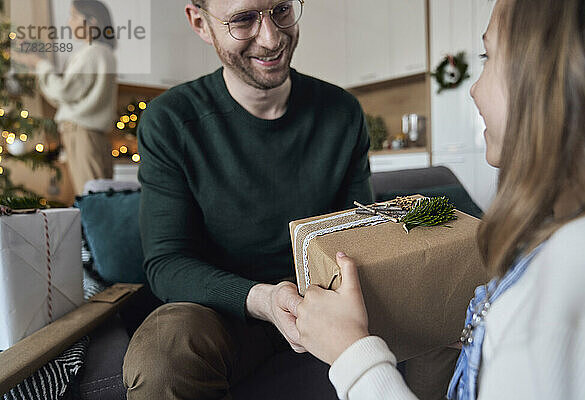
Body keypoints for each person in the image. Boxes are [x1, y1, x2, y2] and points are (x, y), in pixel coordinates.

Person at [295, 0, 585, 399]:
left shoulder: (563, 286)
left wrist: (350, 350)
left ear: (549, 80)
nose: (473, 88)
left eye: (488, 56)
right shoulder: (562, 242)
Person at [121, 0, 374, 399]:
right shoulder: (170, 120)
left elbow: (359, 237)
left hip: (324, 306)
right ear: (201, 23)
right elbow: (166, 263)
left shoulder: (342, 113)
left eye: (281, 10)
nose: (271, 38)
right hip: (219, 313)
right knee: (163, 355)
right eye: (242, 20)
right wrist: (265, 299)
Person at [26, 0, 117, 195]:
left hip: (82, 133)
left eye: (74, 16)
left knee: (92, 197)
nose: (69, 22)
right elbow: (65, 96)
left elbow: (63, 91)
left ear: (91, 21)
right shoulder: (100, 53)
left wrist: (40, 64)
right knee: (94, 195)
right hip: (83, 134)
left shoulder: (93, 53)